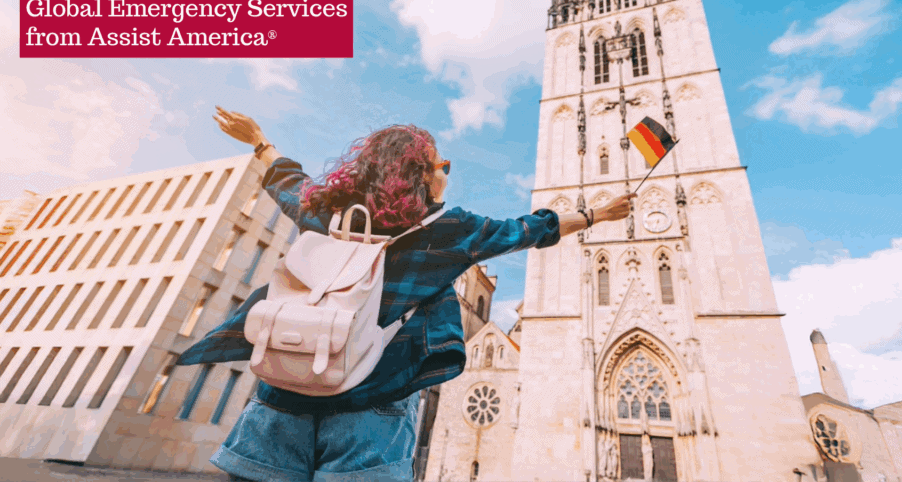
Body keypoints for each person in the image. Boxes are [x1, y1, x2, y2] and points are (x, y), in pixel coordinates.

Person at [176, 106, 635, 482]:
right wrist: (594, 215)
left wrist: (259, 140)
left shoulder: (328, 213)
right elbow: (528, 230)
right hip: (371, 411)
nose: (447, 174)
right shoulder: (450, 230)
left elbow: (287, 184)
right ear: (421, 176)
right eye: (443, 166)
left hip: (283, 395)